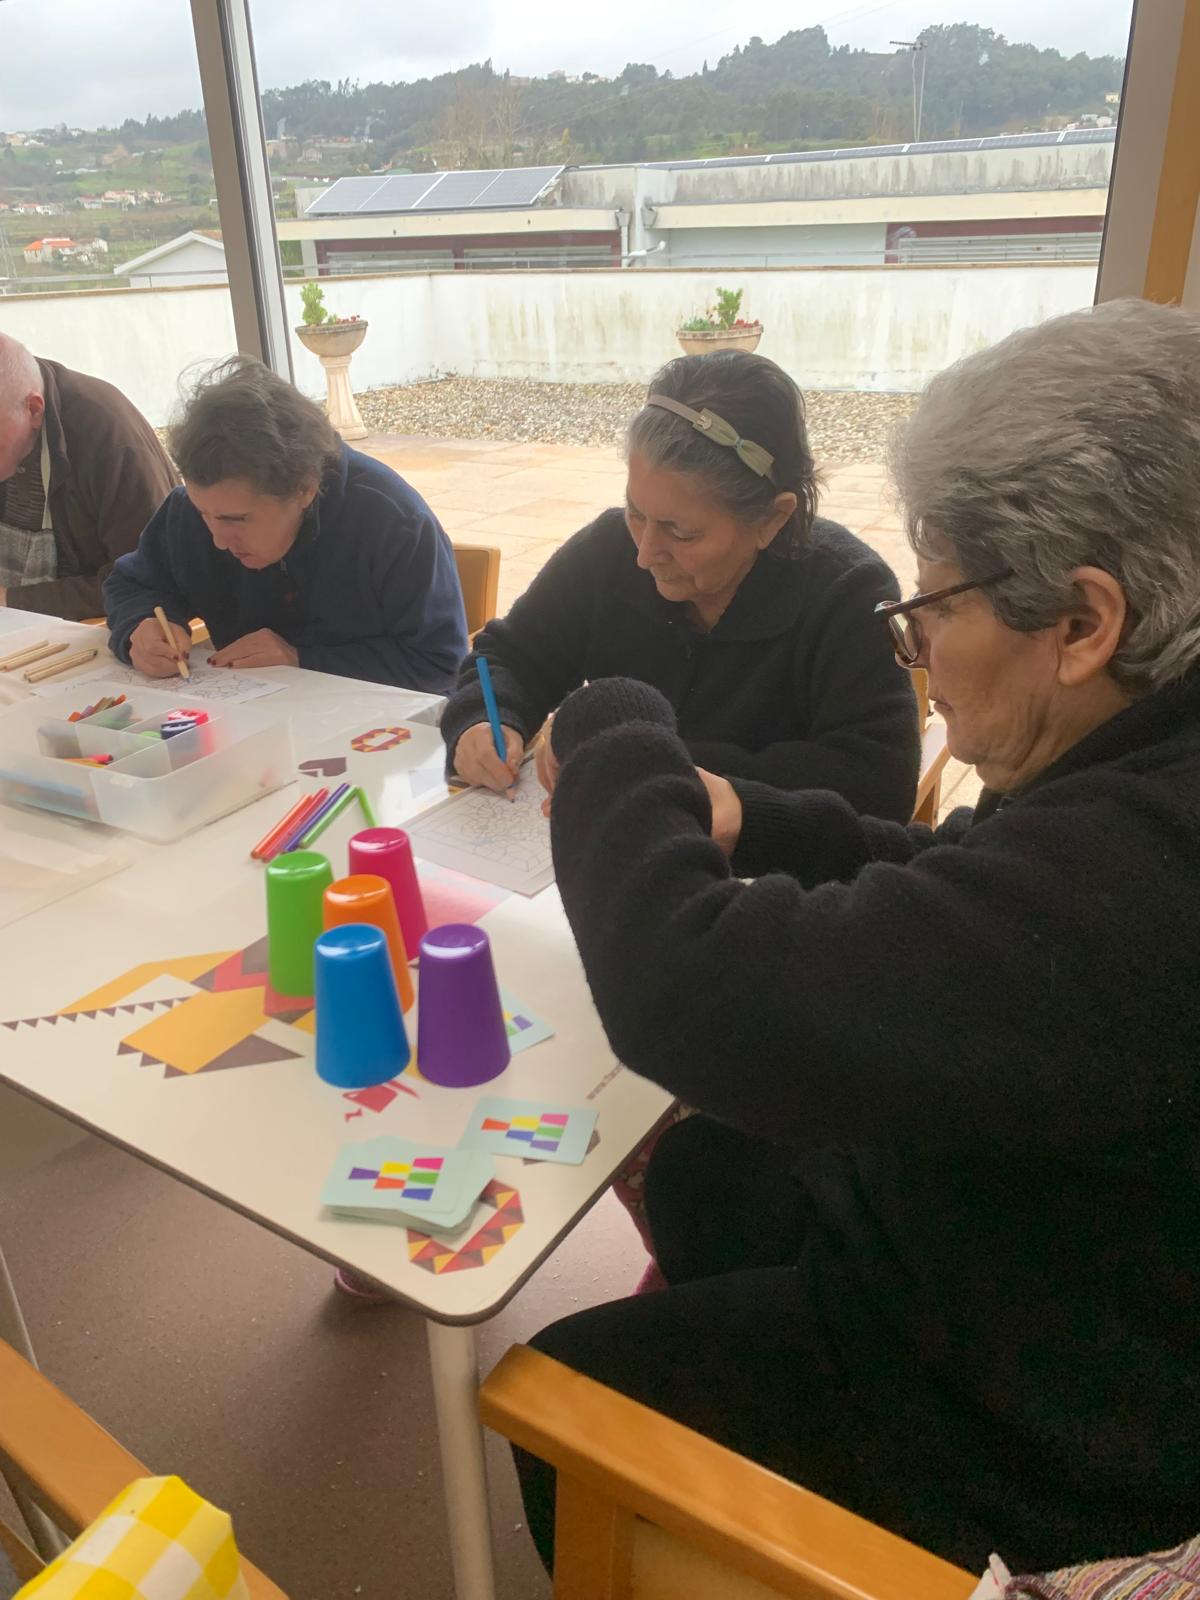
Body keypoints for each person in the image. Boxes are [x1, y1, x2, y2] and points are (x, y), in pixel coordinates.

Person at [517, 298, 1200, 1575]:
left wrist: (614, 726)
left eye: (936, 608)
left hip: (1050, 1410)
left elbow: (686, 992)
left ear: (1082, 622)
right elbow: (978, 878)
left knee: (566, 1386)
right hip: (1054, 1235)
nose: (920, 649)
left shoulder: (1146, 872)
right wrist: (765, 814)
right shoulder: (1139, 758)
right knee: (709, 1171)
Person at [441, 350, 920, 822]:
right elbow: (511, 655)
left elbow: (877, 785)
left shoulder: (845, 592)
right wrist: (483, 719)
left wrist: (647, 762)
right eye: (636, 512)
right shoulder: (609, 552)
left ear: (772, 519)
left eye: (682, 532)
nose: (646, 553)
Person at [104, 357, 467, 692]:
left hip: (371, 726)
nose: (217, 539)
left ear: (304, 489)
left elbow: (439, 665)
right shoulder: (190, 512)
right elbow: (132, 584)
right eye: (203, 513)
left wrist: (302, 659)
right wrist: (140, 625)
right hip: (249, 714)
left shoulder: (392, 523)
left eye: (237, 519)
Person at [0, 333, 175, 620]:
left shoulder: (108, 437)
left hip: (98, 628)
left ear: (34, 409)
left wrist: (9, 599)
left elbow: (147, 578)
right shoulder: (11, 404)